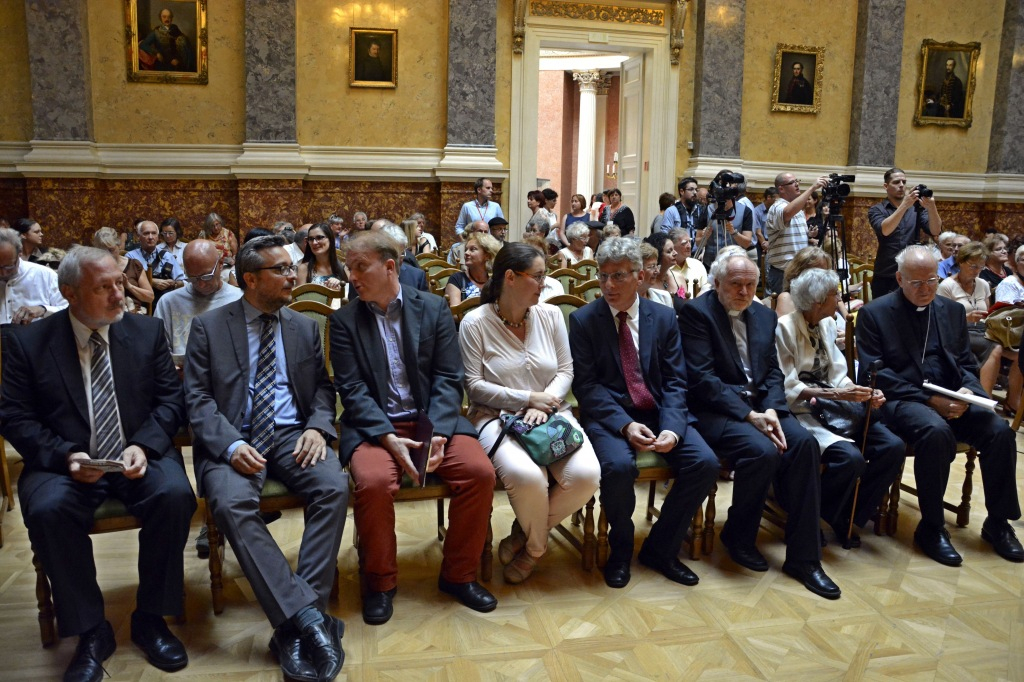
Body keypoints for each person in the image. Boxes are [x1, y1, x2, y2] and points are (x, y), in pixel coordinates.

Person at [0, 246, 195, 681]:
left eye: (119, 283)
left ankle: (151, 617)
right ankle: (90, 630)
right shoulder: (29, 343)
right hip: (64, 460)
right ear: (69, 293)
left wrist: (144, 445)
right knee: (48, 509)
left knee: (175, 495)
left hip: (134, 454)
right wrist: (66, 456)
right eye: (103, 287)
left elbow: (171, 401)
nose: (118, 295)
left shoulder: (146, 331)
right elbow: (14, 417)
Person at [184, 235, 347, 681]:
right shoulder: (209, 328)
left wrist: (317, 427)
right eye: (282, 269)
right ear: (250, 279)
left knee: (334, 486)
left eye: (292, 267)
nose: (293, 275)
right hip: (234, 439)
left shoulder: (303, 327)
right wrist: (230, 446)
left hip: (293, 435)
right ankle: (311, 621)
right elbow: (197, 399)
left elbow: (322, 389)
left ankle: (296, 623)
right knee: (231, 503)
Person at [331, 231, 497, 624]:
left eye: (360, 267)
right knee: (373, 483)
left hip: (432, 419)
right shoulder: (344, 321)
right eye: (349, 268)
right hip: (375, 426)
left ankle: (459, 575)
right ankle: (380, 583)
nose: (352, 276)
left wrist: (437, 433)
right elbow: (351, 390)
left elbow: (448, 376)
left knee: (479, 473)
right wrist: (387, 437)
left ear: (389, 266)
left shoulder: (433, 307)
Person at [678, 251, 840, 599]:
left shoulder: (765, 315)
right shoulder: (696, 313)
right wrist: (749, 414)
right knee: (762, 451)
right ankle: (739, 535)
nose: (744, 291)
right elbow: (703, 380)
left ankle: (805, 559)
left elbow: (772, 373)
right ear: (717, 283)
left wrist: (771, 409)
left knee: (805, 444)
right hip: (717, 411)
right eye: (736, 284)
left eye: (751, 285)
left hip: (762, 407)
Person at [856, 245, 1022, 566]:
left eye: (932, 280)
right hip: (902, 399)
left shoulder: (951, 310)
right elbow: (876, 375)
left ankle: (998, 523)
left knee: (999, 432)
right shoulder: (875, 313)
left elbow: (965, 363)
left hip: (951, 394)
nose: (926, 289)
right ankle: (931, 528)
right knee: (935, 433)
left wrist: (968, 395)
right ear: (899, 279)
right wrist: (931, 400)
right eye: (917, 283)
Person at [570, 237, 719, 589]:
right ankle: (621, 551)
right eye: (603, 276)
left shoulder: (663, 317)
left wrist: (673, 429)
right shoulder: (584, 320)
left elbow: (675, 380)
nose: (608, 285)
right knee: (619, 468)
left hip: (659, 412)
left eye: (618, 276)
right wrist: (625, 425)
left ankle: (660, 549)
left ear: (639, 276)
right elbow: (587, 387)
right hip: (611, 417)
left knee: (704, 463)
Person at [459, 243, 601, 583]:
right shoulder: (475, 322)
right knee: (527, 477)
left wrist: (545, 401)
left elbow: (565, 371)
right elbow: (474, 386)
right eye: (537, 276)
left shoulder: (550, 315)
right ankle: (536, 549)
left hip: (551, 412)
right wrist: (527, 399)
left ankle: (524, 535)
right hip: (495, 417)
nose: (544, 284)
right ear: (510, 277)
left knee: (586, 476)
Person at [775, 268, 905, 546]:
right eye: (835, 294)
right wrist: (836, 393)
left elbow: (838, 373)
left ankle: (845, 513)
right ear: (818, 301)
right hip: (805, 409)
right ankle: (814, 516)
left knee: (893, 447)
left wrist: (861, 393)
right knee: (850, 459)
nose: (840, 299)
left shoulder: (826, 323)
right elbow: (787, 385)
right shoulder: (785, 327)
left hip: (837, 406)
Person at [153, 239, 242, 362]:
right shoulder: (168, 302)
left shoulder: (239, 299)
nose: (201, 284)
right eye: (192, 278)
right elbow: (158, 350)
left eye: (207, 276)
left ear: (220, 264)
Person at [937, 241, 1002, 395]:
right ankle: (985, 397)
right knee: (996, 347)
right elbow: (941, 321)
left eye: (981, 267)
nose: (977, 271)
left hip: (980, 331)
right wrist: (966, 318)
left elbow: (987, 313)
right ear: (961, 262)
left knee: (1010, 347)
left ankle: (983, 396)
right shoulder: (946, 286)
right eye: (973, 266)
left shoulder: (983, 284)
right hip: (956, 333)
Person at [868, 168, 942, 298]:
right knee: (883, 309)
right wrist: (905, 205)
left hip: (912, 274)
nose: (901, 185)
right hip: (886, 272)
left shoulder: (916, 208)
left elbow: (935, 230)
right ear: (886, 186)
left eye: (904, 182)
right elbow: (885, 230)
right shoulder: (877, 209)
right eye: (896, 182)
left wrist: (932, 206)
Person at [765, 172, 829, 295]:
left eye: (797, 181)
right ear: (781, 188)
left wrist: (809, 235)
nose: (797, 184)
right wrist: (812, 188)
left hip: (799, 271)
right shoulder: (777, 206)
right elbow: (787, 213)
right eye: (792, 182)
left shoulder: (799, 210)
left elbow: (792, 234)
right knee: (784, 305)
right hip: (782, 273)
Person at [0, 227, 67, 325]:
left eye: (9, 266)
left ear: (20, 253)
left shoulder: (45, 275)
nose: (3, 273)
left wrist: (43, 309)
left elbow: (69, 310)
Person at [696, 170, 754, 269]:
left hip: (735, 266)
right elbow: (698, 243)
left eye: (730, 184)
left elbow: (747, 243)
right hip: (711, 265)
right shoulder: (707, 210)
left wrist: (734, 233)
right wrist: (705, 236)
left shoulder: (745, 211)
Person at [93, 226, 154, 314]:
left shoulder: (134, 264)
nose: (107, 255)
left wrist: (129, 286)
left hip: (133, 314)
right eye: (102, 251)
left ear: (119, 246)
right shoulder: (93, 268)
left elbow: (150, 297)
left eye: (111, 250)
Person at [126, 221, 186, 300]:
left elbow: (182, 281)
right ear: (138, 236)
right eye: (146, 233)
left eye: (154, 233)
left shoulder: (167, 256)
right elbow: (128, 282)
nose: (150, 237)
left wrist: (173, 284)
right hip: (141, 299)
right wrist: (152, 282)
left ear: (158, 237)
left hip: (164, 299)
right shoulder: (131, 257)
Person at [446, 232, 501, 306]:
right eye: (466, 249)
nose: (466, 253)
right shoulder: (457, 279)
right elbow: (455, 311)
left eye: (472, 249)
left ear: (487, 255)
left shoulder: (496, 281)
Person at [138, 8, 195, 72]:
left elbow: (184, 48)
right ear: (160, 18)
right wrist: (156, 53)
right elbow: (143, 45)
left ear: (172, 18)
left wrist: (178, 59)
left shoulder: (176, 30)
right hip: (163, 65)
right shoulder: (156, 32)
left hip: (178, 64)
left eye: (169, 17)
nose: (167, 19)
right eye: (164, 17)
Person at [297, 223, 346, 291]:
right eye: (311, 239)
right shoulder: (304, 269)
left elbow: (352, 294)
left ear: (330, 239)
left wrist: (341, 287)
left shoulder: (344, 267)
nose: (314, 242)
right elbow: (300, 296)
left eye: (319, 237)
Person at [668, 227, 708, 298]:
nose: (689, 246)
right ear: (672, 246)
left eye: (689, 241)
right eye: (684, 243)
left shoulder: (697, 265)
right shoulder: (666, 268)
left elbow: (706, 293)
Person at [644, 232, 685, 298]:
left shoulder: (679, 278)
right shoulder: (647, 282)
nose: (675, 253)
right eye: (669, 251)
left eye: (674, 249)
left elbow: (686, 302)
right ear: (658, 255)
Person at [638, 242, 675, 308]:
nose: (657, 271)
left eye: (656, 265)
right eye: (652, 267)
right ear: (638, 271)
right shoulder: (624, 300)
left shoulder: (664, 297)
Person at [752, 187, 777, 265]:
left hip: (775, 243)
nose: (778, 202)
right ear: (768, 197)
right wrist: (765, 246)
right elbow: (758, 232)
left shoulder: (777, 210)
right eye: (776, 199)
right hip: (761, 244)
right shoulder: (757, 211)